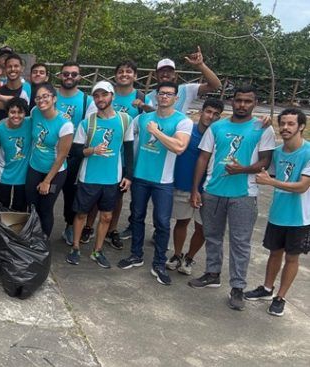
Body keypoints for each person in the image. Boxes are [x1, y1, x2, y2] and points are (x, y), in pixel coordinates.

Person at [188, 84, 276, 311]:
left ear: (255, 103)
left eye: (248, 101)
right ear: (232, 101)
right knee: (212, 235)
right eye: (239, 100)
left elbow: (265, 161)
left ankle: (237, 287)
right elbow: (203, 158)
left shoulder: (263, 129)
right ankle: (212, 273)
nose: (242, 105)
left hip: (244, 195)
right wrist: (196, 189)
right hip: (214, 190)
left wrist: (243, 169)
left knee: (240, 243)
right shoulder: (217, 127)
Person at [117, 82, 192, 285]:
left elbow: (179, 147)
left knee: (162, 222)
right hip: (140, 177)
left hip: (163, 181)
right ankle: (136, 254)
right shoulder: (142, 119)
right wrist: (128, 173)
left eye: (169, 94)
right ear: (156, 96)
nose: (165, 97)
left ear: (176, 98)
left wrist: (157, 132)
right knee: (137, 217)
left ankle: (159, 262)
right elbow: (128, 142)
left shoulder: (183, 121)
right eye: (161, 93)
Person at [245, 108, 310, 317]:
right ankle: (266, 288)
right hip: (277, 213)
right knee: (274, 253)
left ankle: (280, 297)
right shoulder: (278, 151)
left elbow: (302, 186)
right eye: (282, 123)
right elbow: (266, 171)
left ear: (301, 126)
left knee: (292, 258)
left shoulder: (308, 153)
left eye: (291, 124)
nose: (285, 128)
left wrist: (270, 181)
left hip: (300, 217)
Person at [66, 82, 133, 268]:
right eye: (96, 96)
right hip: (89, 177)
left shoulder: (125, 120)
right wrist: (93, 150)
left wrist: (129, 176)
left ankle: (98, 251)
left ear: (112, 96)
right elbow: (77, 150)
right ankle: (76, 248)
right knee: (81, 215)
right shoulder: (87, 123)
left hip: (112, 177)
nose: (100, 99)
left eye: (104, 95)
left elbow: (128, 149)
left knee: (106, 217)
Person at [165, 98, 223, 275]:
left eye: (215, 114)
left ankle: (189, 257)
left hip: (208, 189)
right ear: (201, 112)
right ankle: (177, 254)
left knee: (202, 227)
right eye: (208, 112)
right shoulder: (187, 130)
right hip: (182, 184)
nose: (211, 116)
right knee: (181, 221)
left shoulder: (219, 135)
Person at [106, 60, 149, 247]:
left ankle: (111, 229)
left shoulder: (141, 98)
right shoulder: (107, 95)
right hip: (103, 153)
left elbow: (153, 121)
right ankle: (89, 227)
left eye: (129, 71)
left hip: (126, 156)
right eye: (121, 71)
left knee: (118, 196)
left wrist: (146, 107)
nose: (124, 74)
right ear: (115, 75)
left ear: (135, 76)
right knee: (94, 193)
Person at [56, 62, 97, 246]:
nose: (69, 77)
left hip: (73, 153)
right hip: (51, 151)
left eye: (74, 74)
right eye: (66, 74)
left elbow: (90, 128)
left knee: (72, 193)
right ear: (60, 75)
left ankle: (70, 225)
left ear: (79, 77)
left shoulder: (86, 100)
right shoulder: (51, 96)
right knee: (45, 191)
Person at [26, 83, 74, 239]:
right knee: (32, 205)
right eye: (38, 98)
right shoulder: (35, 112)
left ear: (54, 98)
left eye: (45, 96)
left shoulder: (65, 124)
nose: (41, 100)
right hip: (34, 167)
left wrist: (47, 181)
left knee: (46, 207)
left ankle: (44, 241)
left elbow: (62, 156)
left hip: (55, 172)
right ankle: (31, 236)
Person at [146, 47, 222, 114]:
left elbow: (215, 85)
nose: (165, 74)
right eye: (162, 71)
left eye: (169, 71)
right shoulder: (147, 98)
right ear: (155, 75)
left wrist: (200, 65)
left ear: (174, 75)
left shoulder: (186, 90)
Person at [0, 97, 32, 212]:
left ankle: (17, 229)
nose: (16, 116)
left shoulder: (30, 123)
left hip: (23, 173)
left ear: (25, 113)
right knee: (2, 204)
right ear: (7, 112)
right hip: (4, 172)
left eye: (20, 112)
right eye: (12, 112)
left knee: (20, 206)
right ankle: (2, 229)